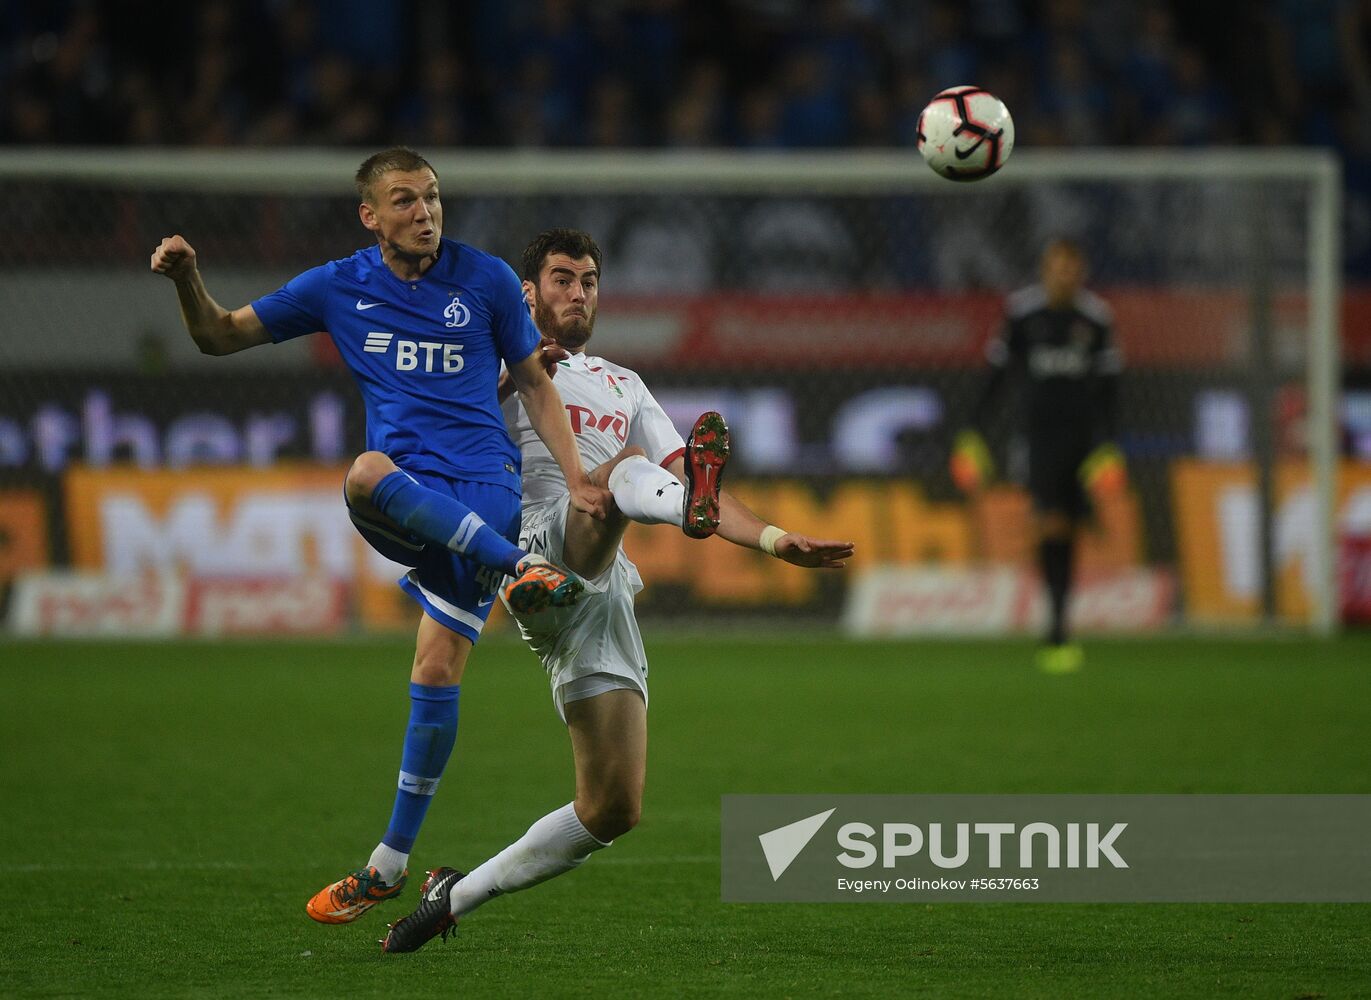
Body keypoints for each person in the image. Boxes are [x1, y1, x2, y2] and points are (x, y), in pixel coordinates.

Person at [149, 148, 610, 925]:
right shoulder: (337, 285)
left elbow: (534, 380)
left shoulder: (489, 278)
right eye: (403, 200)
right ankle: (520, 568)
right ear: (370, 215)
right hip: (410, 499)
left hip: (483, 491)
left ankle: (386, 866)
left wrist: (578, 479)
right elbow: (219, 336)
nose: (424, 212)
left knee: (434, 669)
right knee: (366, 471)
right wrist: (186, 279)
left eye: (431, 197)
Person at [379, 228, 856, 953]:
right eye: (562, 279)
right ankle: (655, 507)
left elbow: (695, 478)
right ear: (527, 293)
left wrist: (771, 539)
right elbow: (423, 429)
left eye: (590, 281)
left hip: (599, 590)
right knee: (614, 475)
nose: (577, 293)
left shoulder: (622, 384)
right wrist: (504, 379)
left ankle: (454, 896)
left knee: (611, 809)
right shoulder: (485, 361)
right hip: (530, 546)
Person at [950, 238, 1126, 674]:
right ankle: (1058, 627)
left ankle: (1059, 619)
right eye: (1056, 266)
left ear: (1081, 271)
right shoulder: (1023, 314)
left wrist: (1109, 446)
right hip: (1037, 438)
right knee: (1049, 524)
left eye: (1071, 267)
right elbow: (996, 377)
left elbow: (1110, 391)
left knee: (1066, 530)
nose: (1064, 274)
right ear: (1045, 270)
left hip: (1082, 441)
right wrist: (973, 432)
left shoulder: (1096, 319)